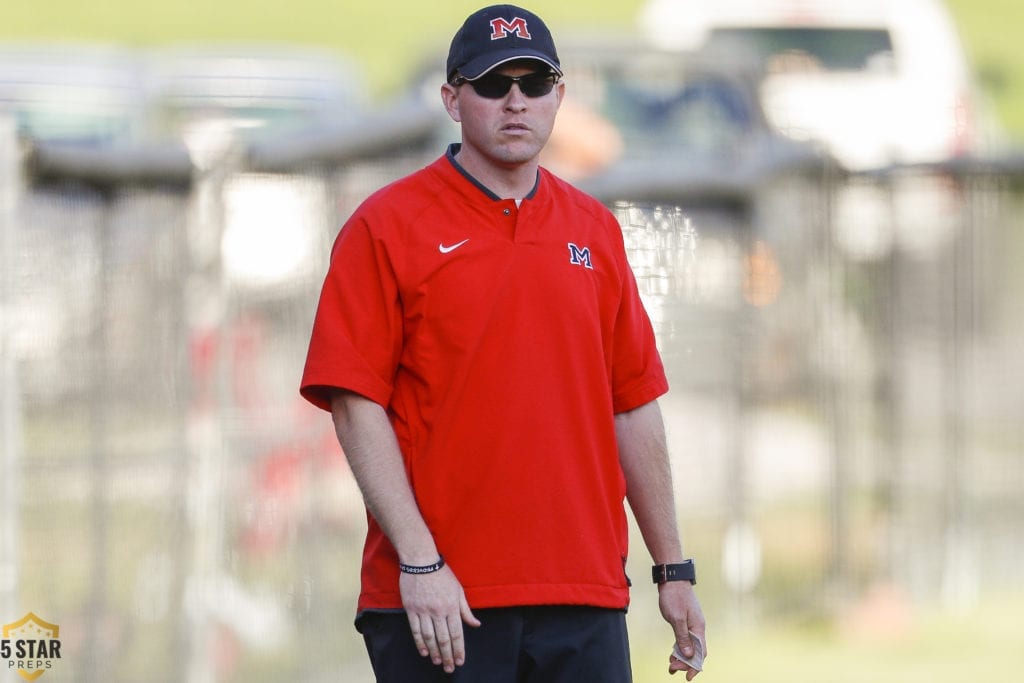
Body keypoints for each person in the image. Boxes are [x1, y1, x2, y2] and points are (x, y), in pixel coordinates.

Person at [300, 4, 706, 681]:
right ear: (453, 99)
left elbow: (632, 405)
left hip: (585, 595)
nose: (515, 101)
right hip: (444, 600)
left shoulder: (596, 231)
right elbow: (354, 402)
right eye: (492, 84)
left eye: (534, 82)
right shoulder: (387, 226)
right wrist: (420, 560)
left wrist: (673, 568)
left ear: (560, 98)